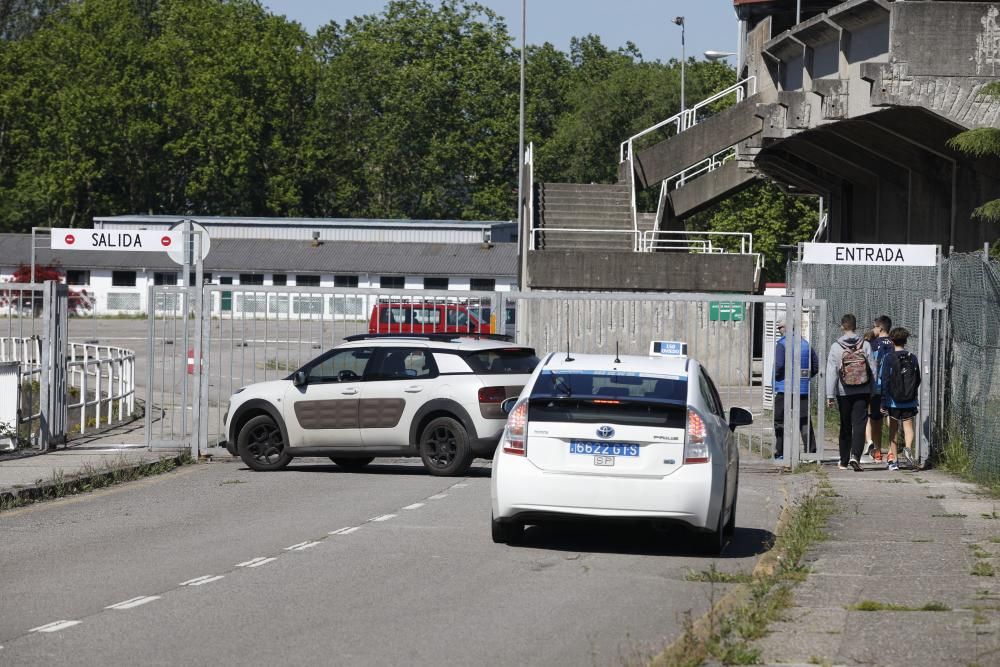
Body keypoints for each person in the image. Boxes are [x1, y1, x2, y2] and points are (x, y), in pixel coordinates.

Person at [826, 314, 874, 471]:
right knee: (860, 424)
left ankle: (844, 460)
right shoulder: (865, 345)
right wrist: (873, 389)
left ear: (842, 326)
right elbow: (873, 369)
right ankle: (856, 457)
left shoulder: (836, 347)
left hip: (843, 391)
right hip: (863, 390)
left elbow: (832, 372)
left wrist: (830, 395)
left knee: (845, 425)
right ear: (855, 326)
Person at [773, 319, 819, 460]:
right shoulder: (805, 344)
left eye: (780, 328)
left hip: (784, 388)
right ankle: (810, 452)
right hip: (802, 389)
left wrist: (776, 376)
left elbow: (779, 365)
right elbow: (815, 366)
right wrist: (805, 378)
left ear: (786, 328)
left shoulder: (782, 344)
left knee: (780, 420)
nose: (779, 331)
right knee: (804, 420)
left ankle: (781, 452)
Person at [880, 327, 921, 471]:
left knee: (893, 429)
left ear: (892, 341)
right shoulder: (912, 357)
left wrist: (883, 402)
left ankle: (894, 462)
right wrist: (911, 393)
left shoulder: (888, 358)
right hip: (909, 399)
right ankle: (908, 447)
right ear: (906, 340)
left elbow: (884, 380)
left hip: (893, 400)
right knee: (908, 427)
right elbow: (918, 379)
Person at [865, 315, 895, 462]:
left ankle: (877, 450)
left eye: (875, 326)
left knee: (875, 419)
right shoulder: (895, 343)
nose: (873, 329)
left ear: (880, 328)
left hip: (877, 386)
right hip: (893, 387)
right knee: (892, 419)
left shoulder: (873, 344)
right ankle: (891, 451)